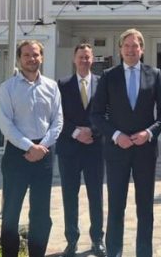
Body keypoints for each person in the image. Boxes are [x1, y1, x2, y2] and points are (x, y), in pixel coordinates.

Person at [91, 29, 161, 257]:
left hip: (145, 151)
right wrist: (116, 135)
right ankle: (114, 252)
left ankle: (144, 252)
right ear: (120, 50)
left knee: (145, 207)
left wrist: (149, 132)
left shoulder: (154, 74)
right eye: (126, 46)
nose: (130, 50)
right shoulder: (109, 76)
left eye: (135, 45)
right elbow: (96, 114)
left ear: (141, 49)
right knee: (116, 206)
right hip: (117, 151)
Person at [0, 40, 63, 257]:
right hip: (17, 155)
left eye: (35, 54)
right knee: (11, 213)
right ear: (19, 59)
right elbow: (6, 125)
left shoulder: (51, 87)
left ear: (41, 57)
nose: (31, 59)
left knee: (41, 215)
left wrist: (41, 146)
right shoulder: (8, 88)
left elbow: (58, 121)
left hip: (44, 155)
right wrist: (29, 146)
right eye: (26, 55)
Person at [56, 43, 105, 257]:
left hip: (95, 148)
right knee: (69, 195)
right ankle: (71, 240)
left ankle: (97, 240)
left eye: (87, 57)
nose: (84, 60)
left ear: (92, 59)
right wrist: (76, 132)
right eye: (81, 57)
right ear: (74, 59)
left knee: (96, 195)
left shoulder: (102, 83)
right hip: (69, 149)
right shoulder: (62, 84)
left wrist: (92, 131)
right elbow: (57, 115)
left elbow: (108, 113)